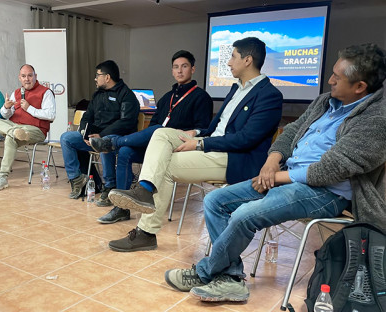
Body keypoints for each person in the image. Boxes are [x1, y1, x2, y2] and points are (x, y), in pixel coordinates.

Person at [164, 43, 386, 303]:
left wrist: (275, 177)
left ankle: (204, 272)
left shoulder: (376, 121)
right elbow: (291, 131)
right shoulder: (326, 101)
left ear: (360, 87)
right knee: (214, 201)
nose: (330, 80)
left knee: (245, 214)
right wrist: (273, 160)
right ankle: (232, 278)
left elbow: (333, 168)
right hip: (285, 176)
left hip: (327, 192)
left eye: (338, 77)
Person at [107, 37, 284, 252]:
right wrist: (198, 138)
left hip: (235, 157)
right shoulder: (236, 88)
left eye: (233, 57)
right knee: (161, 134)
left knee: (165, 166)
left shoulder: (270, 95)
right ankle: (144, 189)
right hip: (212, 143)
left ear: (247, 60)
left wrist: (200, 145)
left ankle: (146, 232)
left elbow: (246, 139)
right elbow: (214, 128)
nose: (228, 62)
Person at [90, 50, 213, 223]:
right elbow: (154, 123)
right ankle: (122, 209)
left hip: (179, 146)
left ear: (193, 69)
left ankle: (112, 142)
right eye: (176, 67)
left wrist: (194, 132)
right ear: (172, 71)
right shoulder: (167, 98)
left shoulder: (201, 97)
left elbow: (204, 128)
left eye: (184, 66)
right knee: (125, 151)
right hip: (157, 145)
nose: (179, 71)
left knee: (158, 130)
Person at [60, 60, 140, 200]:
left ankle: (109, 186)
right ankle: (76, 179)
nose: (95, 78)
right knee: (66, 138)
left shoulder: (127, 95)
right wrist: (84, 134)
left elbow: (126, 122)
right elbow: (87, 117)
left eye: (98, 75)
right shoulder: (98, 95)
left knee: (103, 142)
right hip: (94, 136)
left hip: (116, 139)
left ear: (107, 77)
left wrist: (101, 135)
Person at [0, 64, 56, 190]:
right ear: (19, 78)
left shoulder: (46, 92)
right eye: (23, 76)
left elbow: (51, 115)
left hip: (35, 130)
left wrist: (30, 108)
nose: (27, 79)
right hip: (15, 126)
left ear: (35, 76)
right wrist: (6, 107)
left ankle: (2, 178)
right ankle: (14, 131)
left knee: (10, 138)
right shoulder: (16, 93)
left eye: (30, 75)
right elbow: (5, 115)